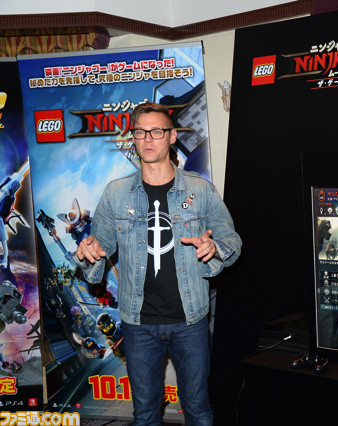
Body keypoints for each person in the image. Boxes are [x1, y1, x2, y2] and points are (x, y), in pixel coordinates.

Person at [74, 102, 241, 425]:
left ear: (172, 136)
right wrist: (88, 252)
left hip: (190, 319)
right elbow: (99, 245)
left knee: (198, 411)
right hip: (138, 323)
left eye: (157, 131)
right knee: (145, 415)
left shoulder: (200, 190)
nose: (148, 139)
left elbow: (232, 241)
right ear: (133, 138)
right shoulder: (116, 193)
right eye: (140, 132)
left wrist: (215, 248)